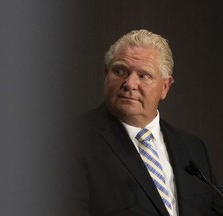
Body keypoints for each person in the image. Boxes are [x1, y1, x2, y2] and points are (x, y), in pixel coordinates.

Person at [65, 29, 223, 216]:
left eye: (144, 75)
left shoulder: (192, 149)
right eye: (120, 71)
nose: (130, 83)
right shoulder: (71, 139)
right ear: (106, 74)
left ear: (165, 87)